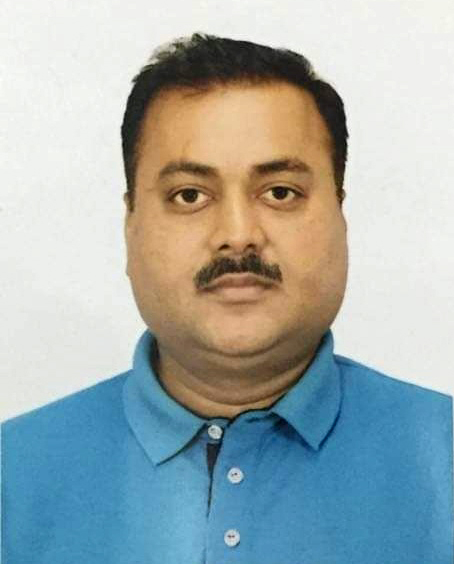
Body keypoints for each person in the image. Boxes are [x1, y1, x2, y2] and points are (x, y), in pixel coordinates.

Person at [1, 33, 452, 563]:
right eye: (189, 195)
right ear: (130, 225)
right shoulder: (13, 474)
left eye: (280, 192)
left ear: (341, 215)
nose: (238, 236)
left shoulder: (441, 457)